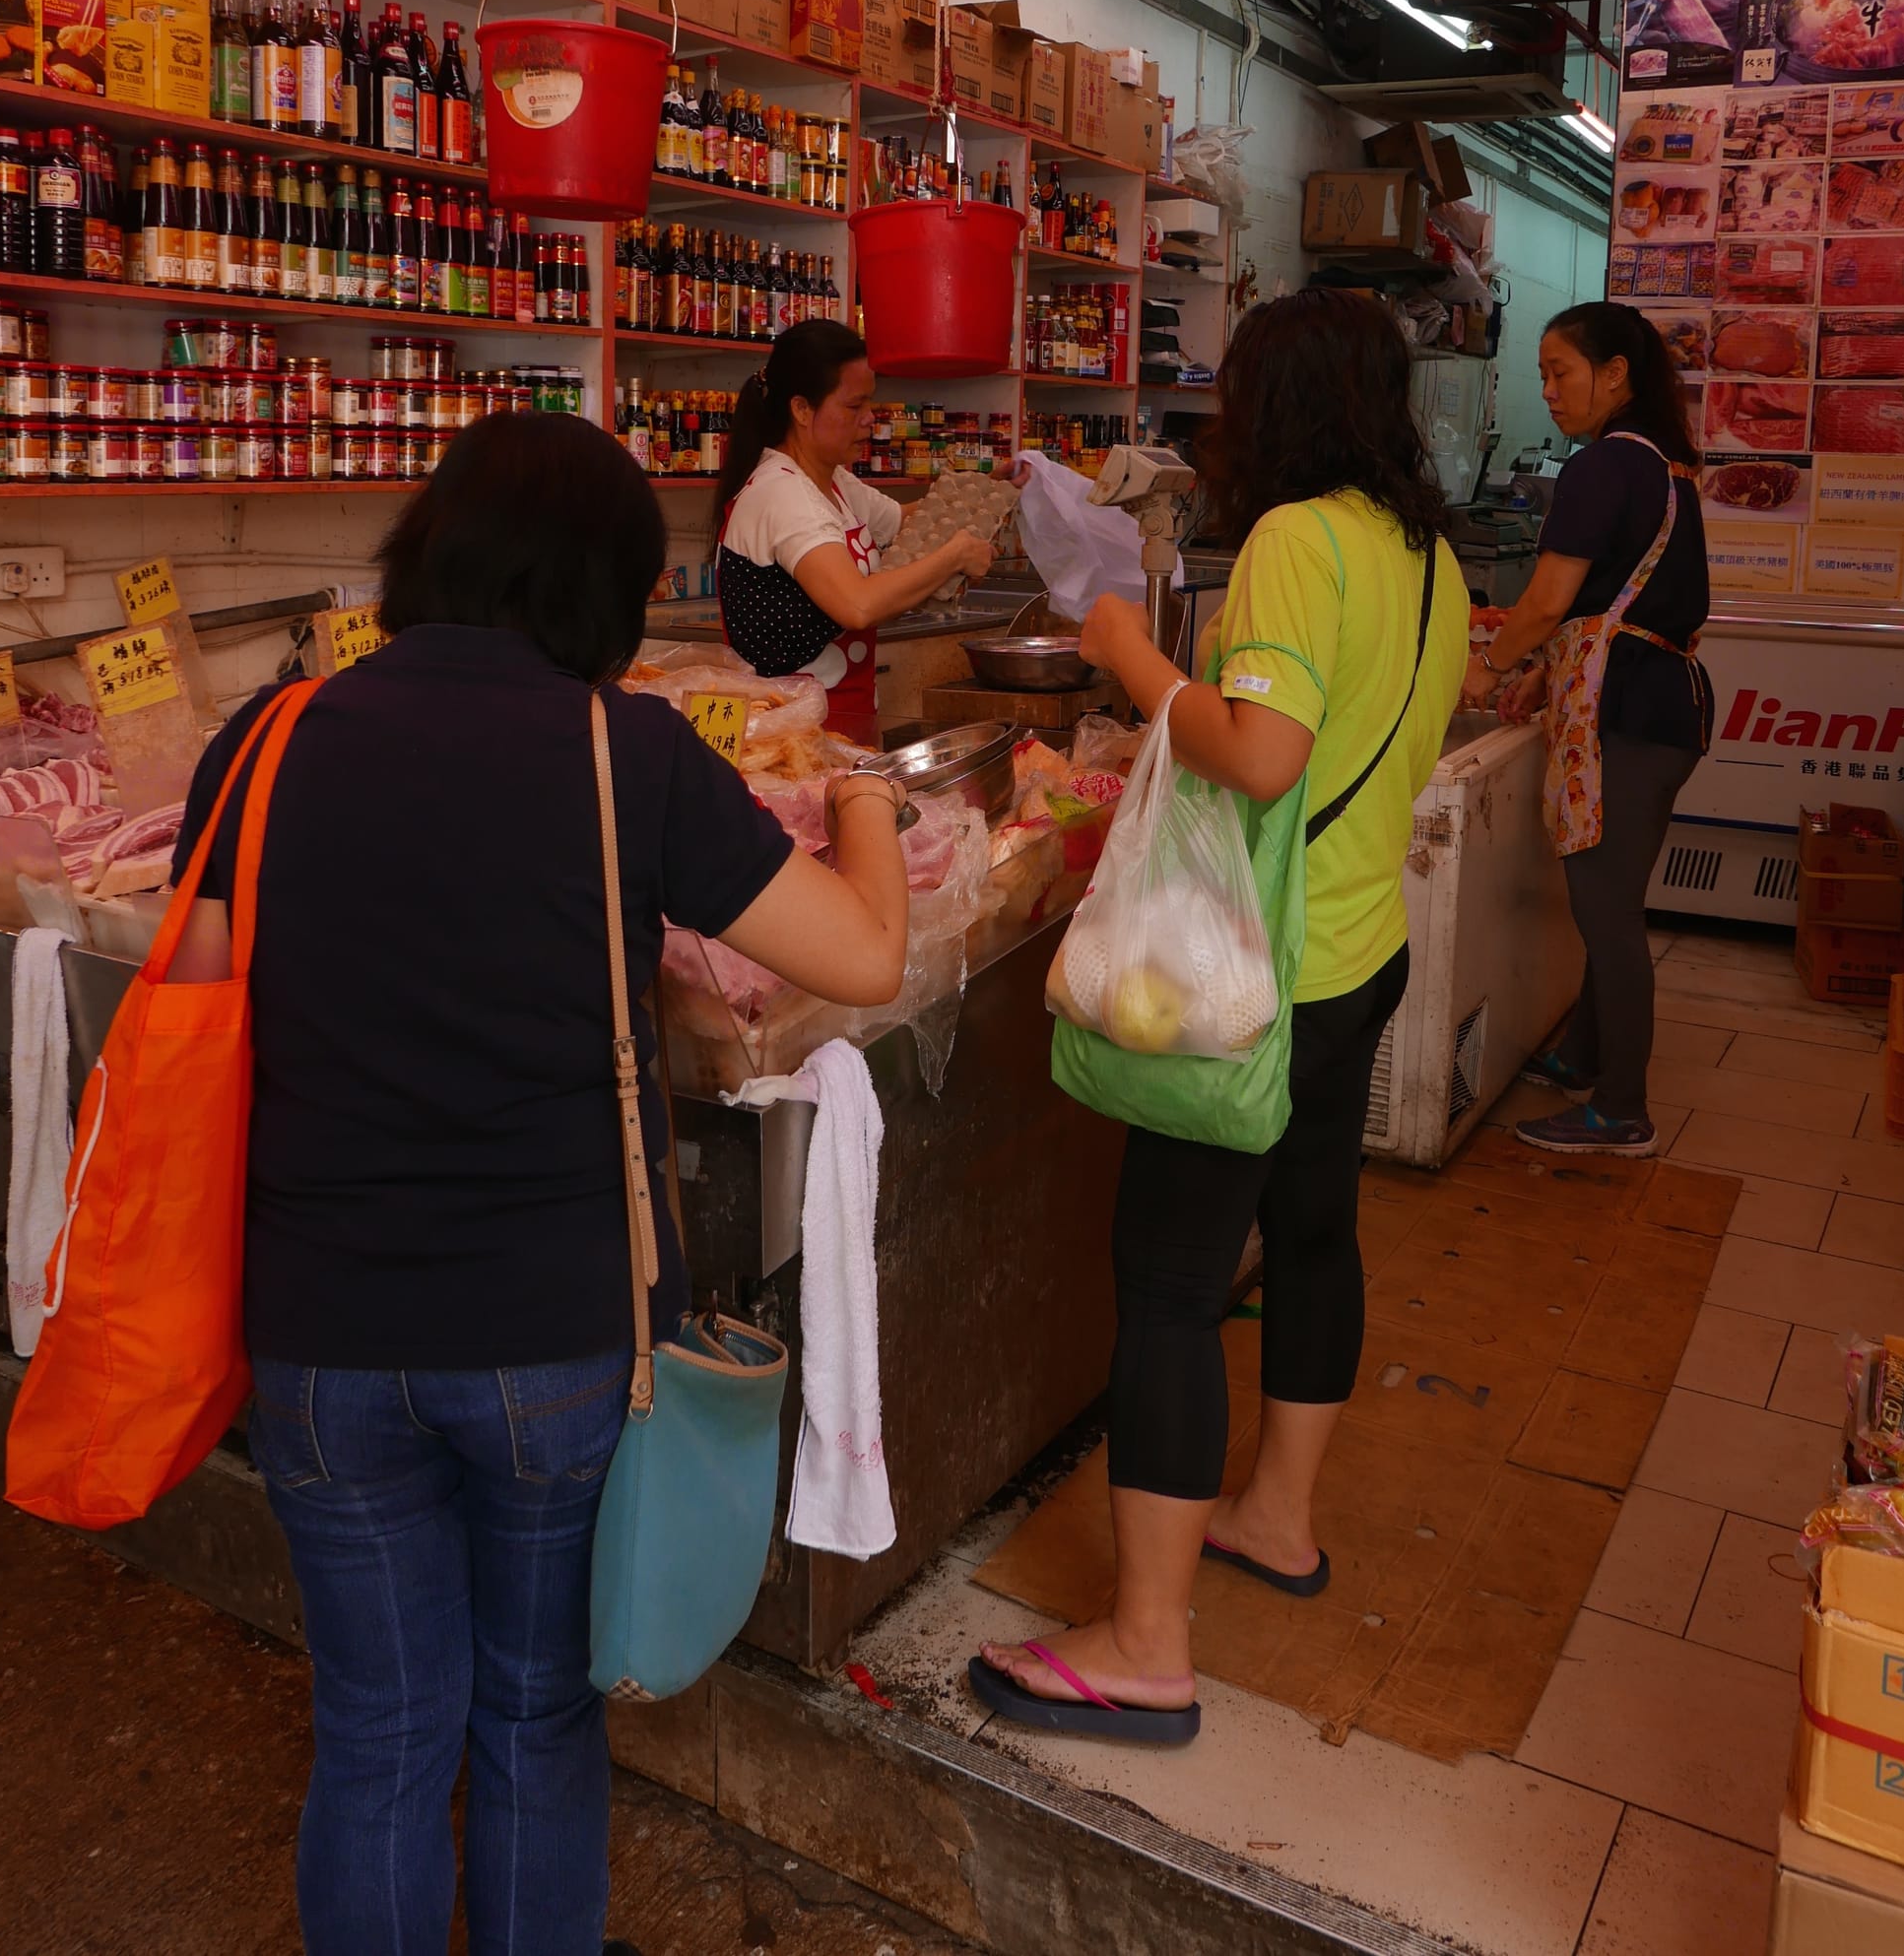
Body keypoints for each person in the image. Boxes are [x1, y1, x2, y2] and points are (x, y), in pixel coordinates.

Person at [164, 411, 912, 1956]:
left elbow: (202, 996)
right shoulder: (617, 744)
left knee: (376, 1729)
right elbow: (866, 952)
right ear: (604, 586)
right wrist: (865, 801)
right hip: (551, 1336)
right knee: (533, 1707)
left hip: (318, 1328)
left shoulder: (270, 733)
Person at [973, 289, 1467, 1741]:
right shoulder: (1420, 550)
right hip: (1357, 948)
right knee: (1315, 1226)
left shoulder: (1301, 541)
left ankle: (1143, 1643)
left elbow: (1257, 757)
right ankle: (1276, 1516)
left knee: (1173, 1285)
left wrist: (1128, 651)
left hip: (1258, 978)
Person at [1461, 299, 1712, 1158]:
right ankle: (1585, 1055)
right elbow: (1618, 602)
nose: (1550, 389)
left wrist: (1491, 667)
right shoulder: (1665, 466)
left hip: (1629, 714)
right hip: (1663, 703)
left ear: (1616, 375)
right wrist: (1541, 673)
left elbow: (1548, 600)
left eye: (1561, 371)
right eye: (1542, 373)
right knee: (1614, 900)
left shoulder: (1604, 466)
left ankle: (1622, 1108)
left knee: (1605, 914)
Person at [713, 320, 996, 746]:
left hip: (842, 726)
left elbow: (910, 523)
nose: (870, 420)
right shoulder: (782, 494)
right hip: (784, 741)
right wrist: (954, 556)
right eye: (853, 406)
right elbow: (857, 605)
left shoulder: (833, 482)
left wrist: (988, 491)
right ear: (802, 409)